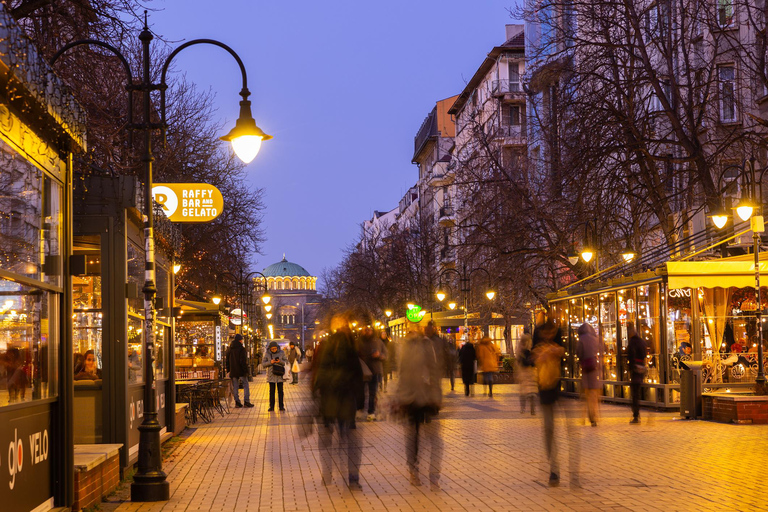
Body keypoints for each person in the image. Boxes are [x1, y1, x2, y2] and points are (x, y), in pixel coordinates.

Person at [313, 312, 364, 490]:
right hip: (346, 398)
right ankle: (353, 477)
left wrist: (317, 392)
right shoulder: (351, 347)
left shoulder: (327, 345)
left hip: (330, 397)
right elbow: (358, 374)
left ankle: (328, 473)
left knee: (327, 437)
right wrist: (361, 400)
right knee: (350, 437)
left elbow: (321, 370)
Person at [396, 323, 444, 489]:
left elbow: (434, 371)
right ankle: (415, 470)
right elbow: (401, 373)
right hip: (411, 398)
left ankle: (432, 474)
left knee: (432, 438)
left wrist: (436, 394)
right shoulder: (406, 347)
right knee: (414, 437)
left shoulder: (426, 345)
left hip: (425, 396)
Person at [533, 316, 565, 486]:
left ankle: (555, 468)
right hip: (546, 392)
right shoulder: (539, 348)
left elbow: (562, 352)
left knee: (550, 430)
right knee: (549, 429)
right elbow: (533, 359)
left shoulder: (556, 347)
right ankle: (554, 467)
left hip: (554, 390)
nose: (548, 336)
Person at [359, 325, 386, 421]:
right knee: (361, 393)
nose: (367, 332)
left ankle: (371, 411)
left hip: (374, 371)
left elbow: (385, 355)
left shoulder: (378, 342)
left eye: (368, 330)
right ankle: (362, 408)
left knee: (372, 393)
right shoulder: (359, 342)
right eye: (365, 330)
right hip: (362, 371)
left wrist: (379, 355)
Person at [576, 323, 600, 426]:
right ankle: (593, 416)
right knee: (593, 392)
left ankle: (585, 416)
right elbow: (598, 349)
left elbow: (579, 352)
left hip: (585, 367)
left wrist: (580, 359)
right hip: (593, 367)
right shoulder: (594, 338)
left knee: (586, 392)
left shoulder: (581, 339)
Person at [627, 321, 648, 424]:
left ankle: (636, 415)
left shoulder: (632, 342)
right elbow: (644, 354)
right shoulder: (641, 341)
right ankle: (637, 413)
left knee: (634, 393)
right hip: (641, 368)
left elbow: (630, 356)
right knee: (638, 391)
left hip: (635, 369)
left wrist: (630, 367)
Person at [227, 334, 253, 408]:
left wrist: (229, 370)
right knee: (246, 385)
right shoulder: (242, 349)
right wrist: (246, 371)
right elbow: (243, 361)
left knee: (235, 386)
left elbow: (227, 361)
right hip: (241, 370)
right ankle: (246, 401)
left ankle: (237, 402)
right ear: (240, 340)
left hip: (233, 371)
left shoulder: (230, 349)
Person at [516, 329, 537, 415]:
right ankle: (532, 410)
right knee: (531, 392)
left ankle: (523, 408)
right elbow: (533, 363)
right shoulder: (529, 351)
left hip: (523, 374)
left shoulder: (519, 351)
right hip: (530, 373)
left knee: (524, 392)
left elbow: (518, 362)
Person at [263, 341, 287, 411]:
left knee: (280, 391)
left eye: (275, 348)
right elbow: (263, 364)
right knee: (272, 391)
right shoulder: (267, 354)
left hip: (280, 374)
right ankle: (271, 406)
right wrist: (270, 362)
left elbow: (286, 362)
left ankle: (281, 406)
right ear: (270, 348)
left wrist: (279, 361)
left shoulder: (282, 353)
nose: (274, 350)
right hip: (271, 375)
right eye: (272, 349)